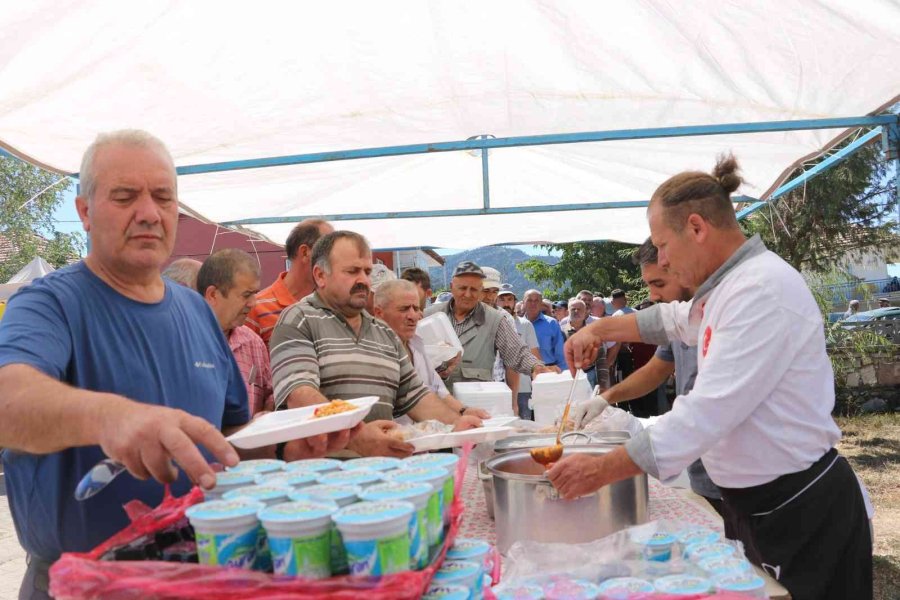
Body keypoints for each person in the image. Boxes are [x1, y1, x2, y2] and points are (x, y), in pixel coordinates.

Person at [0, 131, 345, 600]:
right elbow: (9, 399)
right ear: (84, 211)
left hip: (199, 569)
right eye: (125, 196)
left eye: (163, 197)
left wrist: (287, 445)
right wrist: (112, 416)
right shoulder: (49, 304)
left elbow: (227, 436)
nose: (148, 212)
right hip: (83, 584)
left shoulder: (196, 310)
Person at [553, 155, 871, 599]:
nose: (663, 260)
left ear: (697, 228)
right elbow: (670, 319)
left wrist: (603, 469)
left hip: (800, 509)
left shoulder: (759, 289)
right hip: (759, 505)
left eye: (663, 245)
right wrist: (597, 329)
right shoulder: (726, 289)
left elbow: (705, 412)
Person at [270, 232, 482, 460]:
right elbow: (300, 394)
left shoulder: (383, 332)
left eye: (367, 271)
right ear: (320, 275)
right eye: (352, 271)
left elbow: (416, 395)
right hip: (321, 474)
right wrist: (357, 437)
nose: (363, 280)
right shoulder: (299, 319)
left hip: (384, 471)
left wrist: (457, 423)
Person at [572, 238, 724, 515]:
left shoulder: (724, 315)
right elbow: (656, 369)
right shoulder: (682, 317)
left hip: (742, 476)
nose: (653, 296)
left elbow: (706, 412)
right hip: (703, 469)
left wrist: (604, 467)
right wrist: (606, 398)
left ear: (684, 269)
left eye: (659, 284)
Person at [424, 263, 555, 415]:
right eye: (462, 288)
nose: (468, 294)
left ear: (480, 290)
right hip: (435, 407)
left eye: (474, 289)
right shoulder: (429, 316)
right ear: (452, 287)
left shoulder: (495, 319)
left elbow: (516, 351)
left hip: (477, 408)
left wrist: (536, 367)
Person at [372, 279, 489, 422]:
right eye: (404, 309)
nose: (413, 316)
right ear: (379, 313)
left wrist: (464, 411)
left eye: (416, 308)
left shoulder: (417, 344)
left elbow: (437, 389)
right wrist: (457, 421)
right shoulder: (373, 352)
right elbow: (416, 400)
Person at [198, 249, 274, 416]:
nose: (253, 303)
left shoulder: (253, 342)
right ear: (213, 295)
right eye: (246, 295)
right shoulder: (183, 340)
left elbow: (269, 395)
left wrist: (269, 412)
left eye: (254, 294)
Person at [246, 218, 333, 345]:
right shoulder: (255, 308)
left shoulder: (333, 305)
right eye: (329, 251)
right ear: (305, 252)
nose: (335, 258)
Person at [497, 284, 542, 418]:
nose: (506, 303)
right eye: (502, 299)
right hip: (498, 387)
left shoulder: (525, 324)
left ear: (515, 302)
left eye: (509, 299)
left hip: (523, 388)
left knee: (524, 424)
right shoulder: (491, 323)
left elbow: (534, 355)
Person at [562, 299, 609, 391]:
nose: (576, 311)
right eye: (573, 309)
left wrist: (602, 383)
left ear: (585, 312)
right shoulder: (561, 332)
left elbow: (601, 360)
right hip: (567, 378)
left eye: (579, 309)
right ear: (568, 312)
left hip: (589, 377)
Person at [524, 289, 568, 371]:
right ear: (524, 302)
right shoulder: (517, 324)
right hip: (523, 372)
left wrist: (562, 373)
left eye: (536, 301)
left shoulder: (551, 323)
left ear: (541, 303)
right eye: (529, 300)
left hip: (548, 371)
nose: (533, 303)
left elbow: (560, 353)